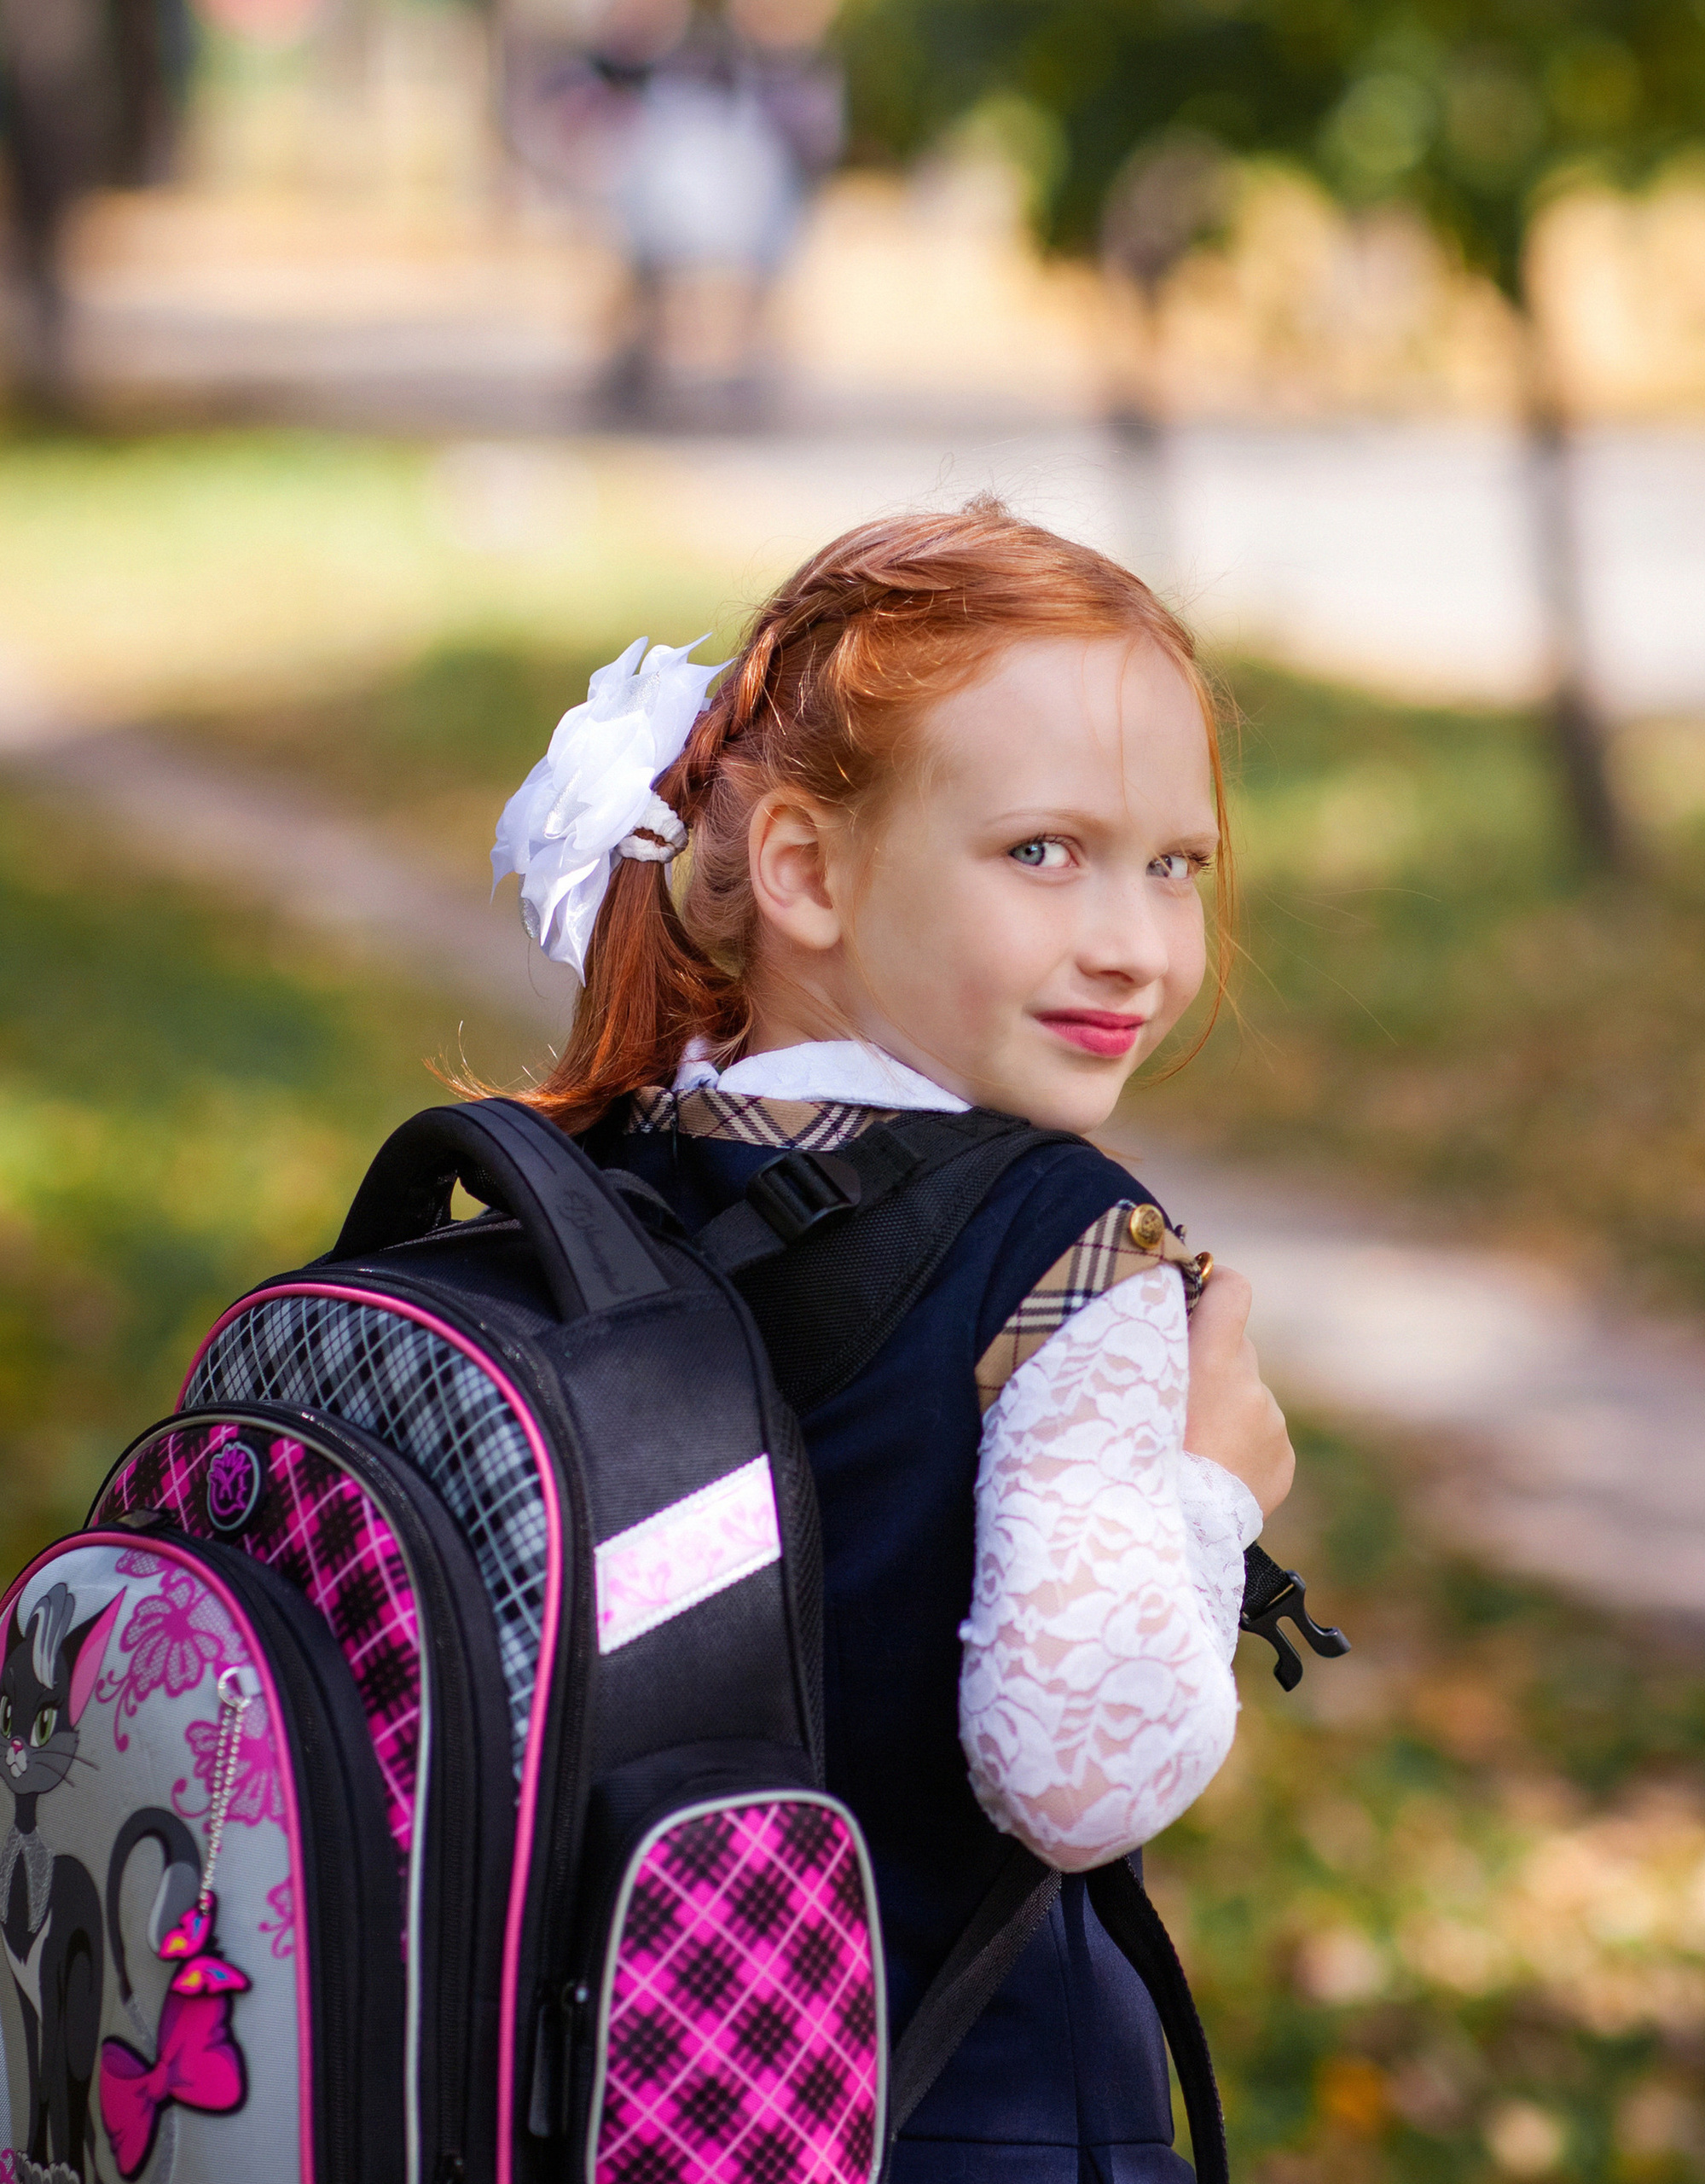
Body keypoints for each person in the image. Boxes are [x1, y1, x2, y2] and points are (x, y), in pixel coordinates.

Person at [490, 497, 1296, 2180]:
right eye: (1043, 851)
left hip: (588, 2101)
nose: (1133, 946)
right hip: (951, 2114)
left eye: (1174, 865)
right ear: (802, 869)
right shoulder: (1062, 1254)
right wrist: (1213, 1489)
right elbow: (1074, 1772)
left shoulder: (599, 1182)